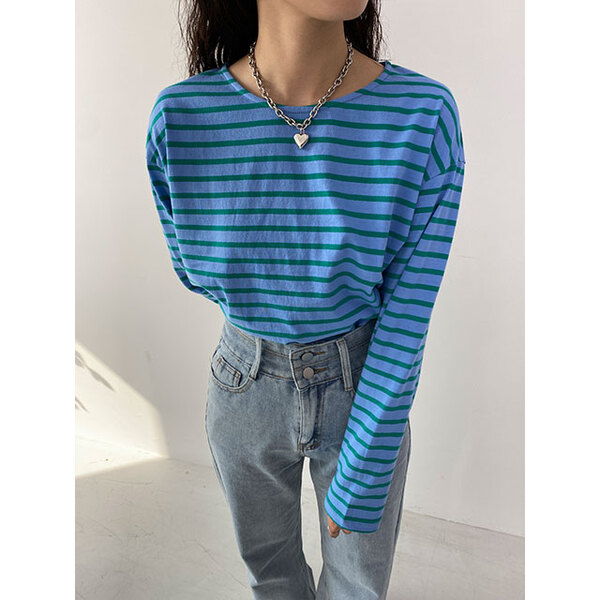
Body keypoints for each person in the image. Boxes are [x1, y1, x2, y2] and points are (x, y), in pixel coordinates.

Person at [145, 1, 466, 597]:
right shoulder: (182, 119)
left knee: (357, 587)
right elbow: (193, 271)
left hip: (365, 390)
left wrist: (366, 464)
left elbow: (408, 313)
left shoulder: (422, 116)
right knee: (271, 579)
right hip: (242, 388)